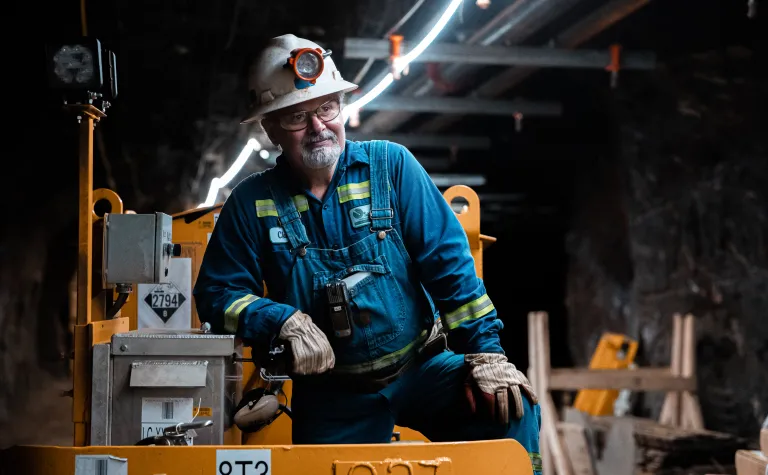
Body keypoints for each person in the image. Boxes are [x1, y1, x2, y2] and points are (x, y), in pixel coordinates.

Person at [193, 34, 541, 473]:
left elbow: (449, 265)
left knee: (512, 410)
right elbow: (216, 294)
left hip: (423, 369)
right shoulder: (251, 203)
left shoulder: (391, 167)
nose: (319, 126)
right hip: (332, 393)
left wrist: (486, 354)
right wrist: (278, 320)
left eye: (326, 108)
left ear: (342, 106)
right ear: (271, 127)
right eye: (298, 117)